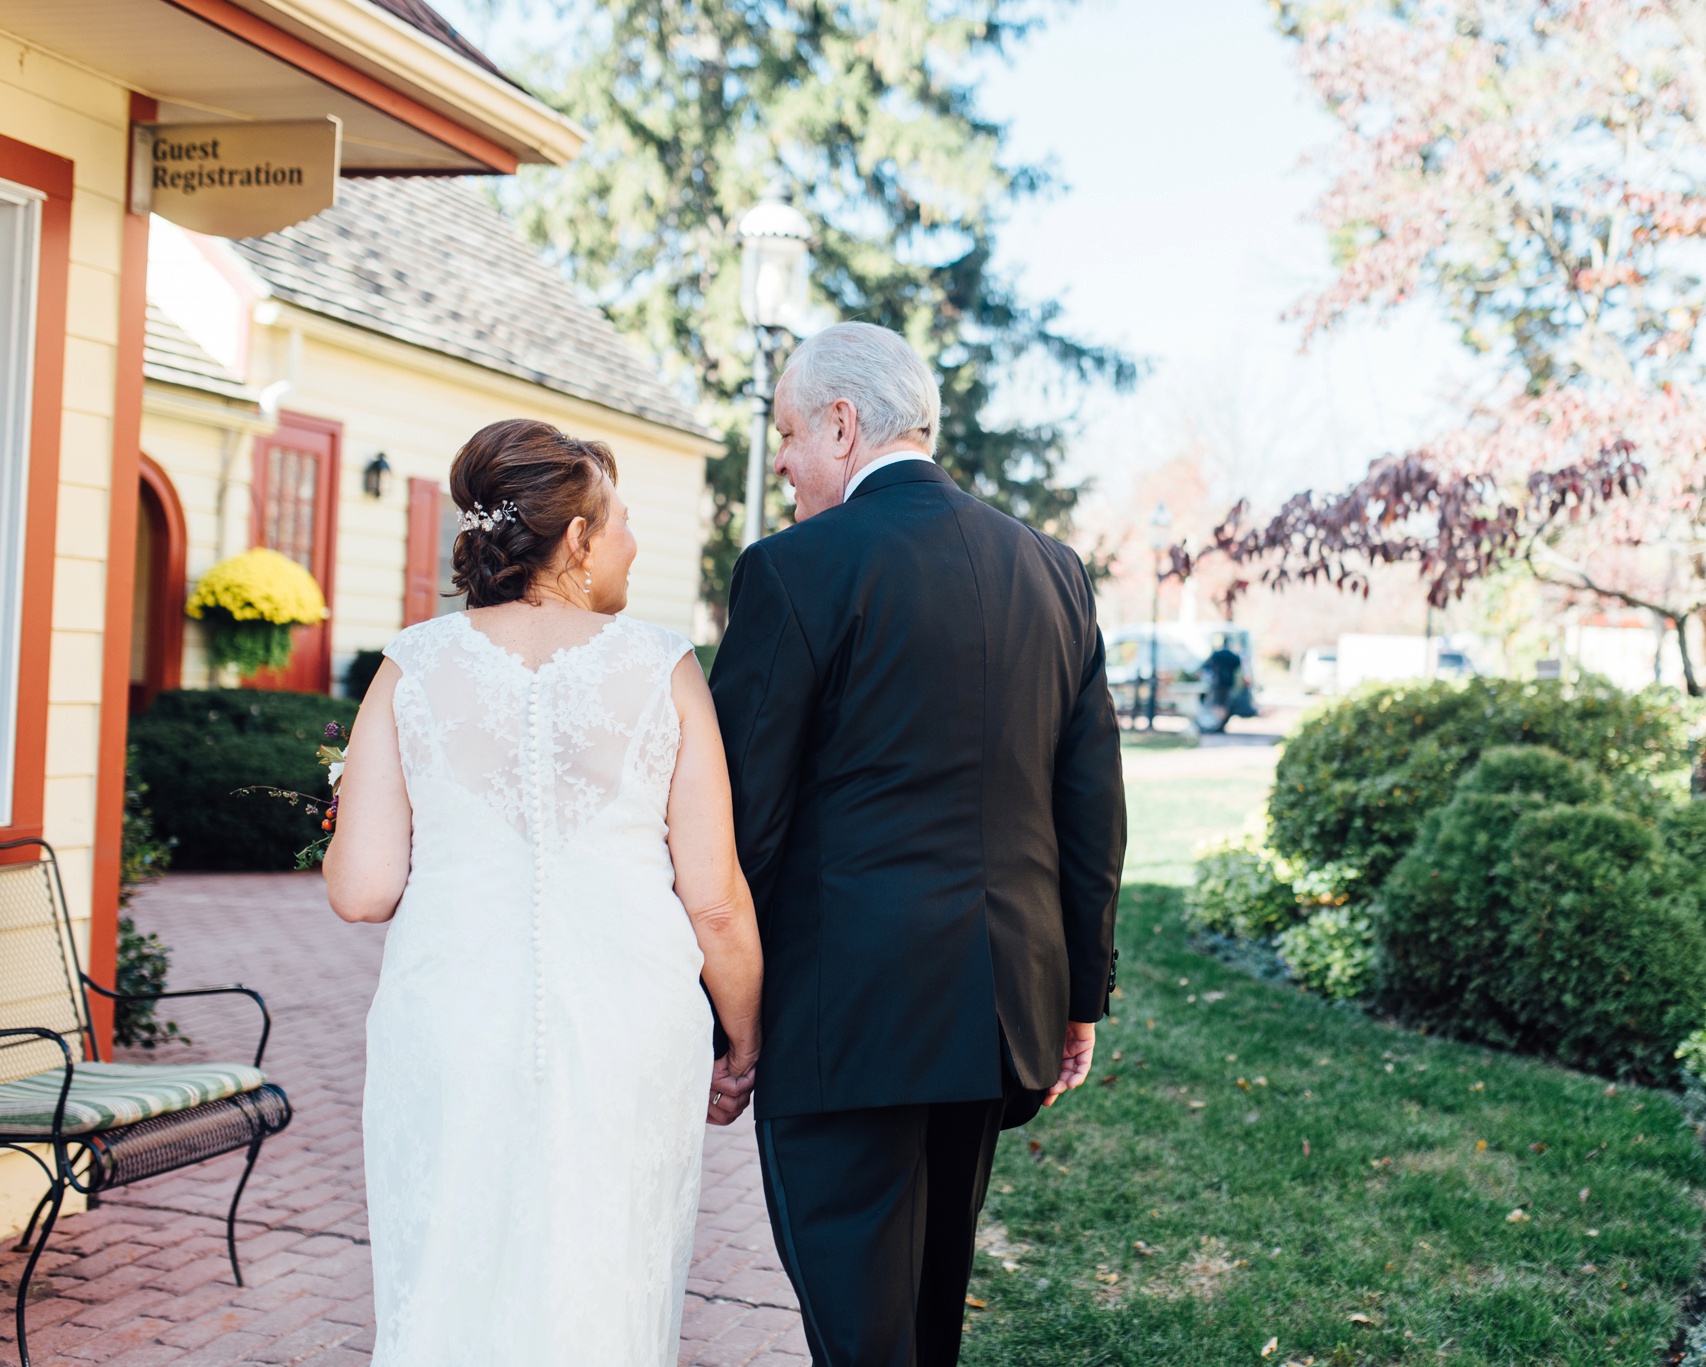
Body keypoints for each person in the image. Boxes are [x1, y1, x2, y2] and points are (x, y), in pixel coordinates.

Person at [710, 322, 1126, 1367]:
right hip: (994, 1015)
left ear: (841, 423)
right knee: (927, 1317)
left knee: (858, 1334)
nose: (790, 462)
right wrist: (1078, 991)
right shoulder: (1052, 569)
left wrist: (722, 1018)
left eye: (791, 433)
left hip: (843, 1020)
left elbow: (737, 817)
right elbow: (1090, 809)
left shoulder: (792, 571)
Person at [322, 418, 763, 1367]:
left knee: (447, 1266)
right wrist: (746, 1036)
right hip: (630, 1022)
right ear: (575, 539)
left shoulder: (411, 663)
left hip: (448, 1013)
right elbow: (716, 897)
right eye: (623, 520)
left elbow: (361, 889)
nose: (634, 541)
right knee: (608, 1270)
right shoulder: (664, 665)